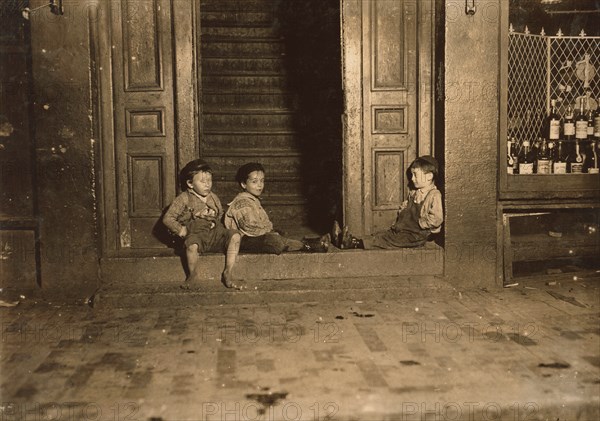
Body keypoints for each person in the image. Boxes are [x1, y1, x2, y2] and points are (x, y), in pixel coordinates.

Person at [163, 159, 244, 289]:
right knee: (192, 244)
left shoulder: (213, 197)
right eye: (202, 181)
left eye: (209, 181)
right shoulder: (184, 198)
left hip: (213, 235)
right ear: (190, 183)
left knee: (235, 236)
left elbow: (220, 213)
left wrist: (216, 223)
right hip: (197, 235)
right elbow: (168, 218)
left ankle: (228, 272)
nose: (207, 185)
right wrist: (181, 230)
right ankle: (193, 275)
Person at [332, 155, 443, 249]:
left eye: (415, 175)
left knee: (389, 240)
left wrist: (421, 224)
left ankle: (355, 244)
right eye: (412, 175)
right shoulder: (414, 193)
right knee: (382, 234)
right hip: (405, 229)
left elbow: (437, 219)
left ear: (429, 176)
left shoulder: (434, 195)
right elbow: (407, 209)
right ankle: (348, 239)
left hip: (418, 235)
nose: (412, 179)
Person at [224, 162, 330, 254]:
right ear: (243, 184)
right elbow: (249, 228)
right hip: (244, 240)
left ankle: (311, 243)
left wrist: (270, 230)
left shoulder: (253, 200)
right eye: (254, 182)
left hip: (257, 236)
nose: (259, 185)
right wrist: (268, 232)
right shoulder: (242, 202)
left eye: (262, 181)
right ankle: (310, 245)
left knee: (280, 235)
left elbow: (264, 222)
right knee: (275, 241)